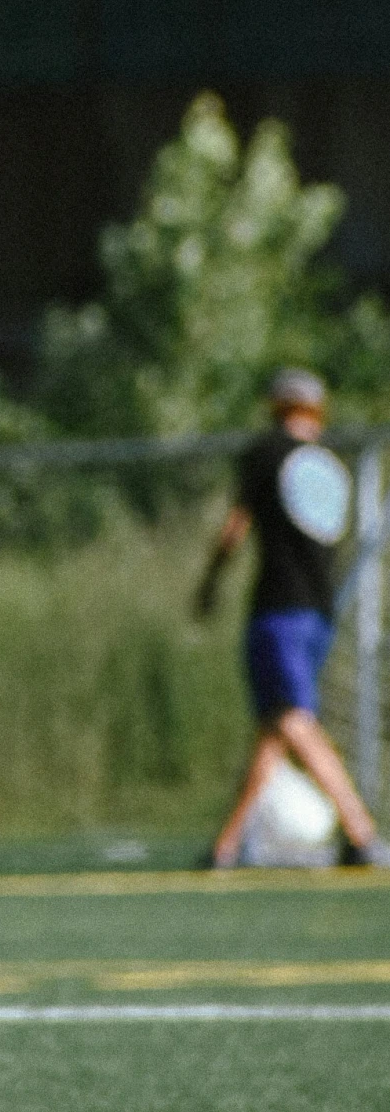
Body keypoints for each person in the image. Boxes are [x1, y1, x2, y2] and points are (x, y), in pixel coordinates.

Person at [198, 368, 390, 868]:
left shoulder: (265, 454)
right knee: (274, 728)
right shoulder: (328, 463)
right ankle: (228, 843)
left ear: (277, 407)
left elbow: (234, 529)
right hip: (319, 612)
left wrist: (209, 582)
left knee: (292, 720)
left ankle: (360, 831)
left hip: (278, 610)